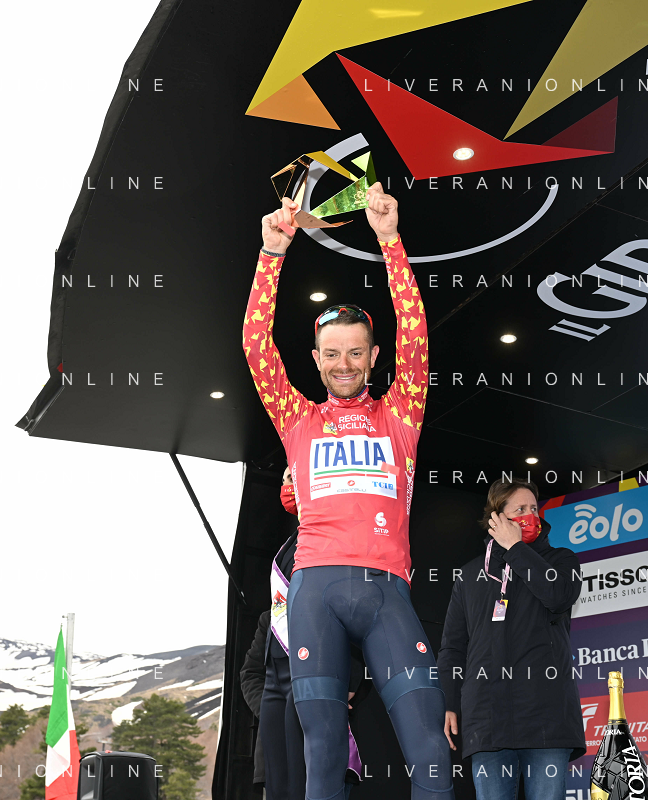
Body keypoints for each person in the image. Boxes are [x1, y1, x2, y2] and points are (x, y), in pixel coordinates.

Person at [243, 186, 453, 800]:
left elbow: (417, 335)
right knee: (324, 756)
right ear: (315, 358)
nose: (344, 364)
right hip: (314, 589)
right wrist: (271, 255)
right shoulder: (297, 418)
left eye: (355, 353)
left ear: (373, 355)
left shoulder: (400, 413)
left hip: (387, 591)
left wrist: (390, 241)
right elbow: (257, 348)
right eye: (332, 354)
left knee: (430, 751)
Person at [437, 479, 585, 800]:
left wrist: (516, 549)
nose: (530, 515)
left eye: (534, 508)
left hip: (546, 717)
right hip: (487, 719)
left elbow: (558, 596)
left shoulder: (562, 561)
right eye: (520, 509)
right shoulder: (470, 575)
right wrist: (448, 702)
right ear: (497, 518)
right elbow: (453, 647)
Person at [238, 467, 366, 800]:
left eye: (293, 478)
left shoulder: (334, 541)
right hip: (275, 718)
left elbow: (354, 619)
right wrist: (273, 707)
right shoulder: (284, 556)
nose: (287, 486)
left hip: (314, 703)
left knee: (311, 784)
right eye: (284, 480)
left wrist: (347, 681)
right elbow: (251, 672)